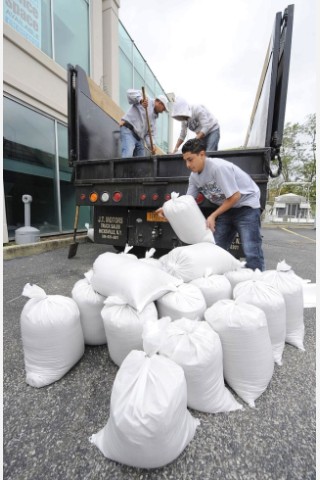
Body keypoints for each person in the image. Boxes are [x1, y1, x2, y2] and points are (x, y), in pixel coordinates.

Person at [156, 138, 265, 271]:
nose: (188, 165)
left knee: (251, 249)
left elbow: (235, 196)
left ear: (202, 155)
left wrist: (213, 216)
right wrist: (169, 210)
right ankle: (215, 279)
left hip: (246, 206)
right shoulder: (194, 177)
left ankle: (258, 283)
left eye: (190, 159)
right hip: (227, 209)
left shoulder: (218, 168)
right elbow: (188, 201)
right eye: (185, 160)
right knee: (215, 247)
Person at [119, 89, 169, 157]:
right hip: (128, 131)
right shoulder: (145, 99)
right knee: (128, 154)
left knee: (142, 160)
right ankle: (123, 167)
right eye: (163, 108)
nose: (163, 111)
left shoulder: (153, 120)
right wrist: (141, 100)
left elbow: (149, 135)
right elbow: (129, 93)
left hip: (139, 138)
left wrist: (152, 146)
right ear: (159, 103)